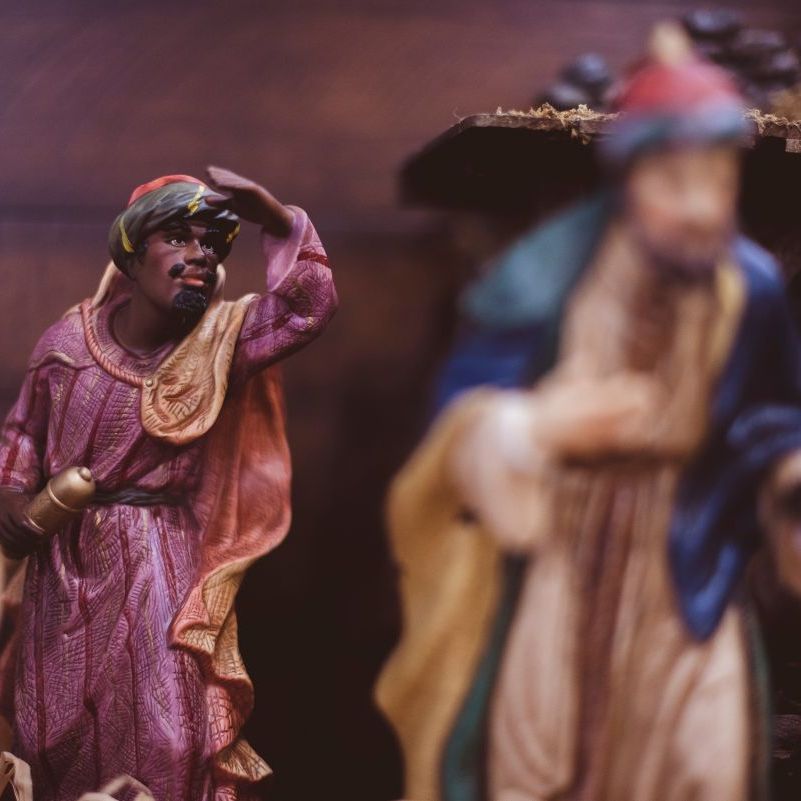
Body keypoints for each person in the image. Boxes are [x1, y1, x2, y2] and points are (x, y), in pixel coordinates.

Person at [377, 26, 801, 801]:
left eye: (718, 180)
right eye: (676, 182)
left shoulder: (749, 287)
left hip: (691, 559)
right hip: (559, 556)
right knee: (540, 763)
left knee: (704, 765)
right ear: (629, 178)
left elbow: (769, 415)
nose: (700, 208)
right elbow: (456, 423)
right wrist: (535, 428)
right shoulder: (545, 278)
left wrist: (783, 476)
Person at [0, 166, 337, 801]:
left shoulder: (221, 344)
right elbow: (23, 435)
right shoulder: (67, 344)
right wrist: (12, 496)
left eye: (211, 244)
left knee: (169, 733)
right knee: (51, 729)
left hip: (158, 561)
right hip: (63, 560)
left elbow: (308, 307)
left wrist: (277, 217)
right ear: (131, 253)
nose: (199, 256)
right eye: (178, 238)